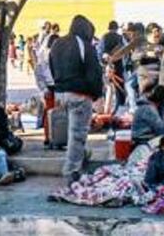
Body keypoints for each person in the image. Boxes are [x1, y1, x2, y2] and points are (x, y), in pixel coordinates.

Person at [50, 15, 103, 184]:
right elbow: (94, 73)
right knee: (77, 134)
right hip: (80, 94)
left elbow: (51, 66)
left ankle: (82, 158)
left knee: (73, 132)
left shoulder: (57, 43)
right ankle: (71, 171)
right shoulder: (85, 46)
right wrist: (97, 94)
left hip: (61, 93)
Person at [101, 21, 127, 112]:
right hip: (118, 64)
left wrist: (103, 59)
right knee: (119, 82)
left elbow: (100, 51)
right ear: (116, 28)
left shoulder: (104, 37)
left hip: (107, 63)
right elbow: (125, 50)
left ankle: (107, 104)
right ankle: (122, 102)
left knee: (107, 85)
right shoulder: (120, 37)